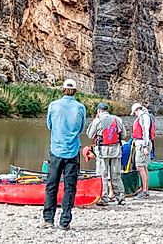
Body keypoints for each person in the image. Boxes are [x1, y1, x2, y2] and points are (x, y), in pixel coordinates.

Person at [41, 79, 86, 231]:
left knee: (51, 185)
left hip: (56, 150)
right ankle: (64, 221)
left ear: (63, 90)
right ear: (75, 91)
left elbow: (49, 125)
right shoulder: (81, 107)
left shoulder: (53, 105)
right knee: (70, 187)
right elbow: (81, 129)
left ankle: (48, 219)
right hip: (73, 151)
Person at [85, 102, 127, 206]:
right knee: (116, 175)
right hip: (116, 150)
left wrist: (95, 120)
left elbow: (90, 135)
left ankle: (103, 199)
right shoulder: (117, 119)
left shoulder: (97, 121)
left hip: (102, 151)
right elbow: (124, 135)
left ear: (98, 111)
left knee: (102, 175)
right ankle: (121, 198)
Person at [131, 102, 154, 199]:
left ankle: (145, 191)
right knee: (144, 167)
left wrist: (145, 147)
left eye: (134, 112)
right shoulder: (145, 116)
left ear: (137, 110)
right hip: (142, 143)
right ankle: (144, 189)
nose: (134, 114)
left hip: (142, 144)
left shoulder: (144, 117)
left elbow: (145, 132)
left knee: (140, 167)